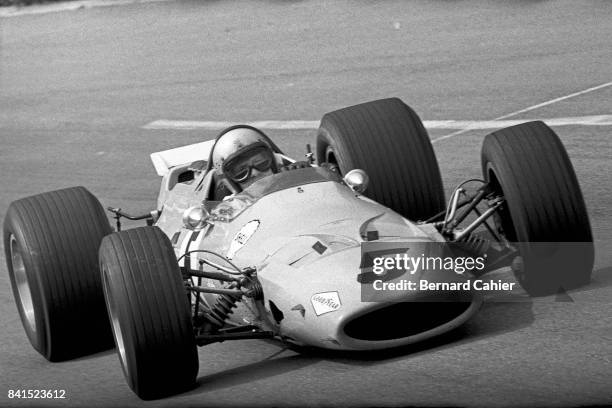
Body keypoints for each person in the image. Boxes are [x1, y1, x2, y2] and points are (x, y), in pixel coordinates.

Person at [211, 126, 280, 192]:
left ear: (273, 164)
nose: (254, 173)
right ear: (231, 182)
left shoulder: (290, 184)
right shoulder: (229, 204)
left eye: (260, 163)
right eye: (242, 171)